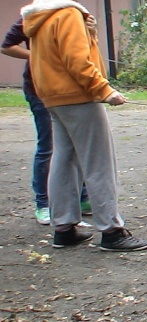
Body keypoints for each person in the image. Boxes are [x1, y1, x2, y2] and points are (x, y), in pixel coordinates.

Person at [21, 0, 147, 251]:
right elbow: (77, 62)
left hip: (53, 97)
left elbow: (59, 56)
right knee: (99, 163)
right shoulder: (67, 13)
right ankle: (112, 231)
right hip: (78, 97)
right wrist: (105, 90)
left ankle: (64, 228)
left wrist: (90, 35)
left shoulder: (38, 15)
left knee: (64, 160)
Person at [2, 18, 93, 225]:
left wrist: (92, 32)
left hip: (71, 90)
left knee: (75, 144)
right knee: (48, 146)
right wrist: (38, 55)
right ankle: (43, 203)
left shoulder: (76, 15)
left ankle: (81, 198)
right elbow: (7, 47)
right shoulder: (32, 17)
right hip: (39, 89)